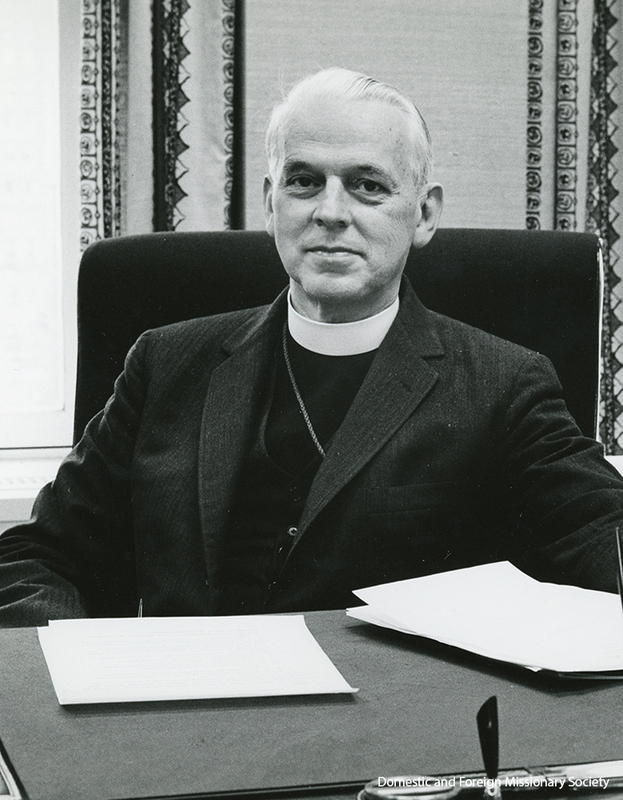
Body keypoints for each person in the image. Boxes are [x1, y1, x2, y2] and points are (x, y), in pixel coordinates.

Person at [0, 67, 622, 627]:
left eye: (367, 186)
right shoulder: (165, 364)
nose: (330, 211)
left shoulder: (503, 385)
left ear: (425, 214)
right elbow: (39, 556)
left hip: (388, 713)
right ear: (270, 204)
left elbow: (602, 539)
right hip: (184, 706)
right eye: (303, 182)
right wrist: (72, 667)